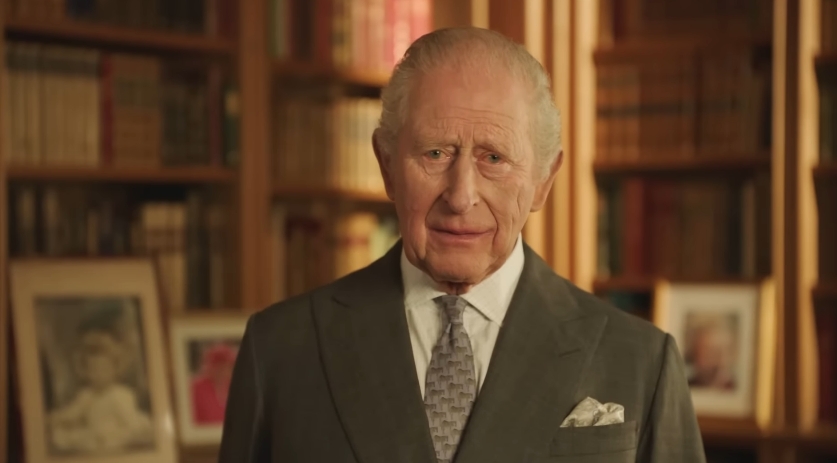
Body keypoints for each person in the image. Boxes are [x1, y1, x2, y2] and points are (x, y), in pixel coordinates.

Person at [219, 27, 706, 463]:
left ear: (542, 182)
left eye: (494, 157)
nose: (461, 196)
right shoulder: (279, 350)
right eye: (435, 153)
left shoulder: (642, 361)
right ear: (387, 165)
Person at [49, 325, 154, 454]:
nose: (99, 375)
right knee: (67, 436)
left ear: (115, 369)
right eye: (93, 370)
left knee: (123, 436)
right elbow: (72, 413)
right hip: (93, 435)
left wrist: (136, 431)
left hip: (117, 434)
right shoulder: (86, 395)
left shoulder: (120, 394)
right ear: (85, 371)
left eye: (104, 369)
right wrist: (58, 418)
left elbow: (131, 421)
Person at [190, 342, 238, 424]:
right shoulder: (195, 388)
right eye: (220, 365)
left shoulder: (237, 387)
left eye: (229, 365)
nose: (224, 370)